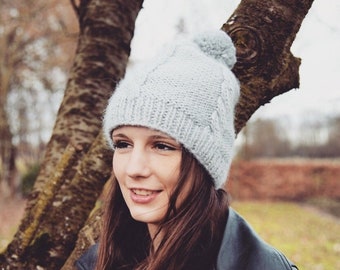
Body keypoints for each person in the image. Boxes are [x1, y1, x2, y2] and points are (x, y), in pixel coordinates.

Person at [76, 30, 298, 270]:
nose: (133, 169)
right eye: (123, 144)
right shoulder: (96, 262)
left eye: (161, 146)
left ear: (206, 162)